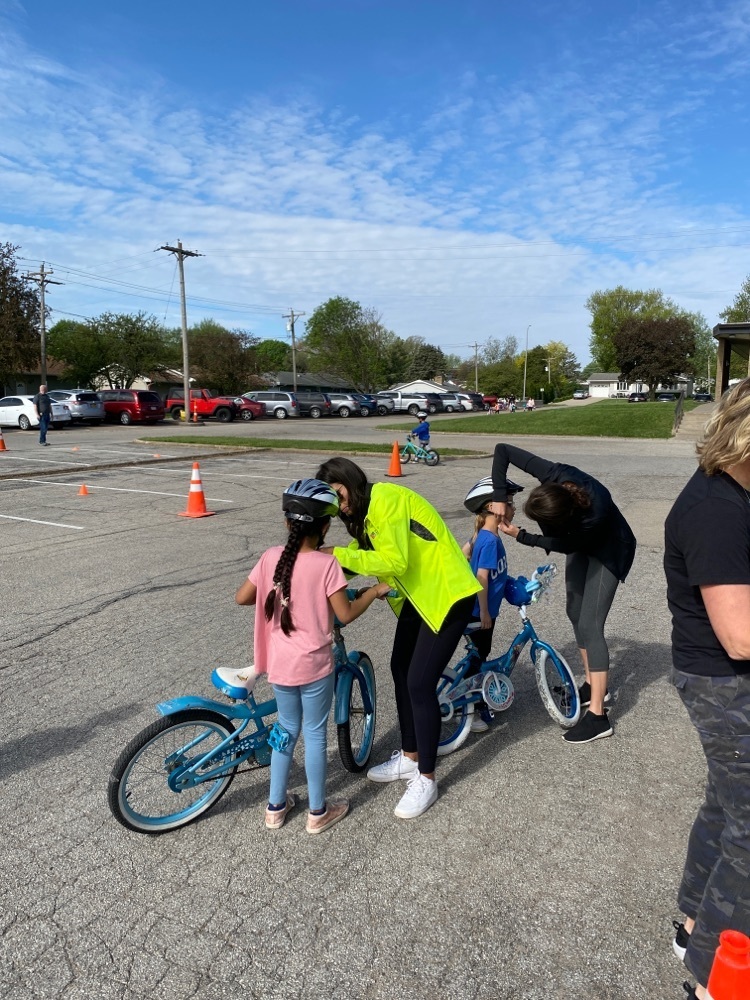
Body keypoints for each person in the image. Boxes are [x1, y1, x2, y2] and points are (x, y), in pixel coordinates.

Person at [316, 456, 481, 819]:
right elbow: (368, 555)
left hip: (447, 594)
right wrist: (323, 562)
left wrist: (335, 555)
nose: (339, 505)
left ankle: (426, 778)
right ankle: (410, 756)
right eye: (333, 501)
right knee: (400, 668)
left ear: (350, 481)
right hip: (420, 596)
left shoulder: (385, 498)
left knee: (420, 683)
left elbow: (395, 562)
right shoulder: (368, 514)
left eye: (339, 493)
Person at [235, 478, 391, 835]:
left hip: (280, 666)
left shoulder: (271, 558)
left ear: (288, 523)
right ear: (324, 526)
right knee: (316, 734)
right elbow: (346, 612)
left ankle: (275, 807)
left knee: (286, 730)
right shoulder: (326, 565)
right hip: (315, 666)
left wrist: (274, 590)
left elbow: (242, 597)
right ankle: (317, 812)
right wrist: (373, 591)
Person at [664, 378, 750, 1000]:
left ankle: (694, 921)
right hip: (726, 684)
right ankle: (712, 979)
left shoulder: (732, 493)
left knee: (727, 807)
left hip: (720, 677)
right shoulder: (716, 512)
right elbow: (741, 636)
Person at [488, 443, 636, 744]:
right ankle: (595, 683)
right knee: (574, 612)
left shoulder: (595, 512)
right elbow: (502, 450)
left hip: (610, 548)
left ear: (562, 520)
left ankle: (598, 716)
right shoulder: (555, 474)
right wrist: (499, 496)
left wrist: (524, 536)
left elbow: (566, 545)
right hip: (578, 539)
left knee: (590, 625)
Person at [461, 476, 525, 733]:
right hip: (480, 612)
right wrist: (485, 611)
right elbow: (482, 577)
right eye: (509, 503)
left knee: (478, 656)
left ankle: (475, 703)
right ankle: (470, 709)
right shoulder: (489, 540)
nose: (513, 508)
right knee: (478, 660)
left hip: (483, 610)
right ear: (492, 508)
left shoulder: (484, 536)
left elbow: (464, 552)